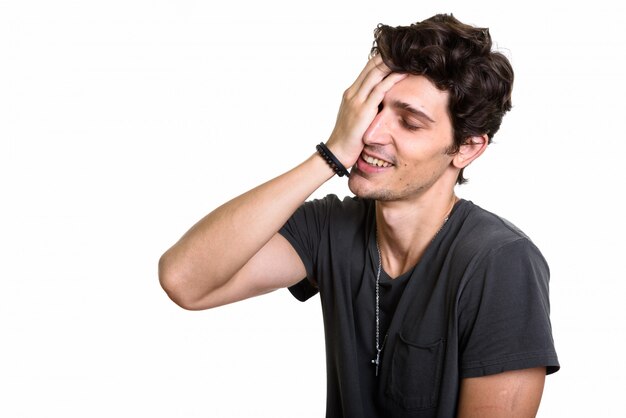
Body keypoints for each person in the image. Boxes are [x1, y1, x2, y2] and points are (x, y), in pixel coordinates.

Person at [159, 13, 560, 418]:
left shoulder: (501, 262)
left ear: (468, 148)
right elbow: (185, 281)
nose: (371, 134)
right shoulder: (331, 227)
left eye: (409, 122)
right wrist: (329, 156)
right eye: (374, 108)